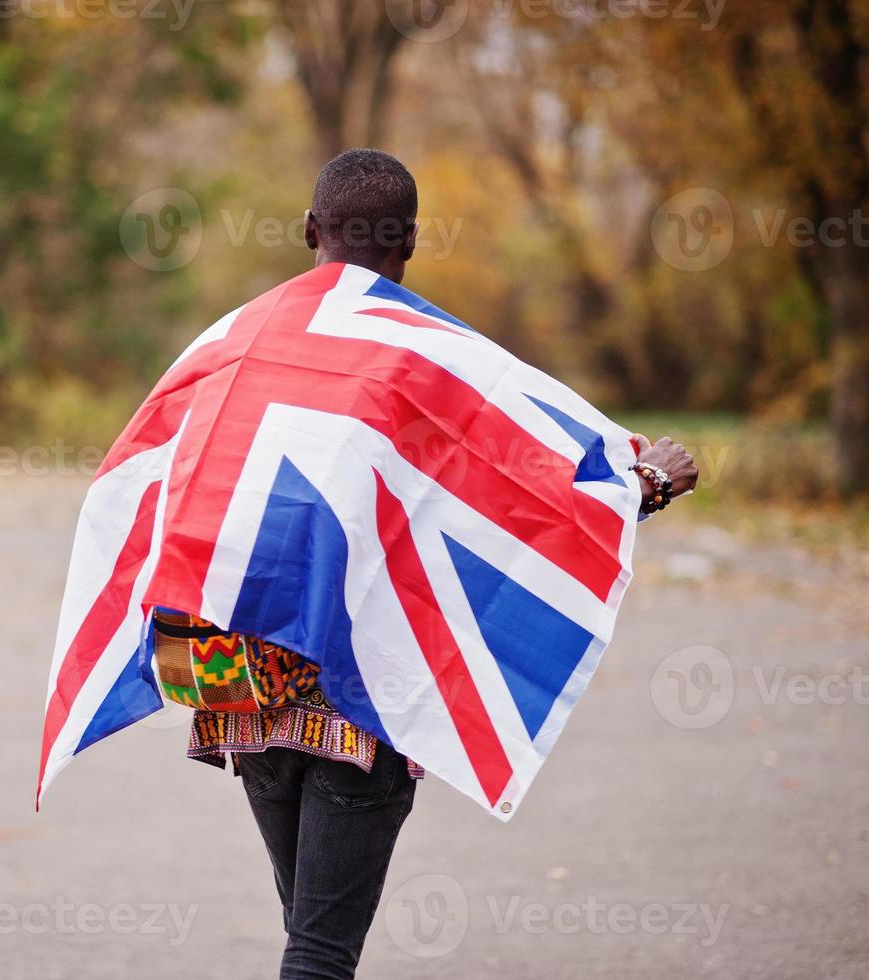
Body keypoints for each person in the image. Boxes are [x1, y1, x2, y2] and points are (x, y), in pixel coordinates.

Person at [168, 148, 699, 980]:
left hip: (231, 684)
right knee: (317, 949)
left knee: (307, 929)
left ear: (311, 230)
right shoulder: (431, 361)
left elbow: (169, 492)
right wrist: (647, 485)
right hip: (357, 696)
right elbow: (521, 501)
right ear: (410, 242)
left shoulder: (234, 344)